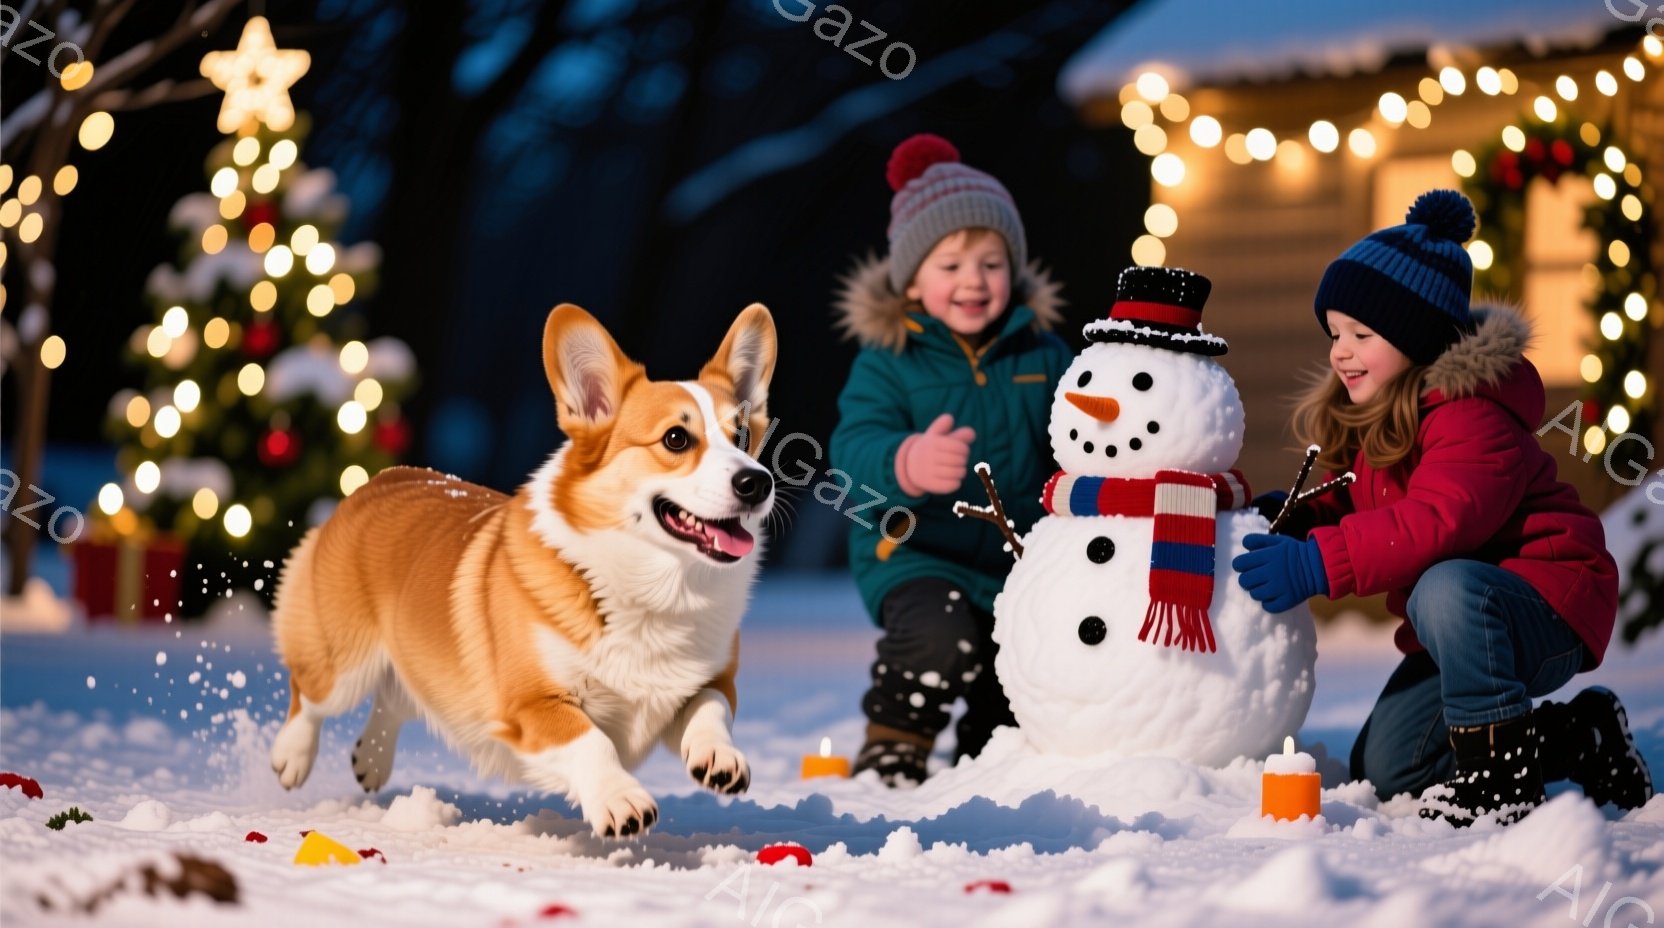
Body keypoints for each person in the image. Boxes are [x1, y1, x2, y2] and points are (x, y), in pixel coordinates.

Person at [1235, 189, 1653, 826]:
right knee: (1389, 767)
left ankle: (1500, 782)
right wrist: (1300, 514)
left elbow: (1438, 521)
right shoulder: (1386, 415)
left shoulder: (1473, 413)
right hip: (1462, 622)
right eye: (1335, 333)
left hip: (1545, 600)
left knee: (1442, 583)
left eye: (1361, 334)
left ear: (1418, 339)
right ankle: (1578, 736)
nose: (1338, 350)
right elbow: (1360, 497)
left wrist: (1318, 565)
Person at [830, 134, 1071, 786]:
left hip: (1020, 560)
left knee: (1018, 664)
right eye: (951, 264)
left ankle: (990, 758)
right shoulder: (888, 359)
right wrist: (905, 461)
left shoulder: (1044, 357)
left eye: (992, 264)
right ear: (911, 280)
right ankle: (895, 746)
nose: (974, 280)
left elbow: (1078, 442)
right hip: (915, 551)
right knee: (939, 639)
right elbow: (850, 453)